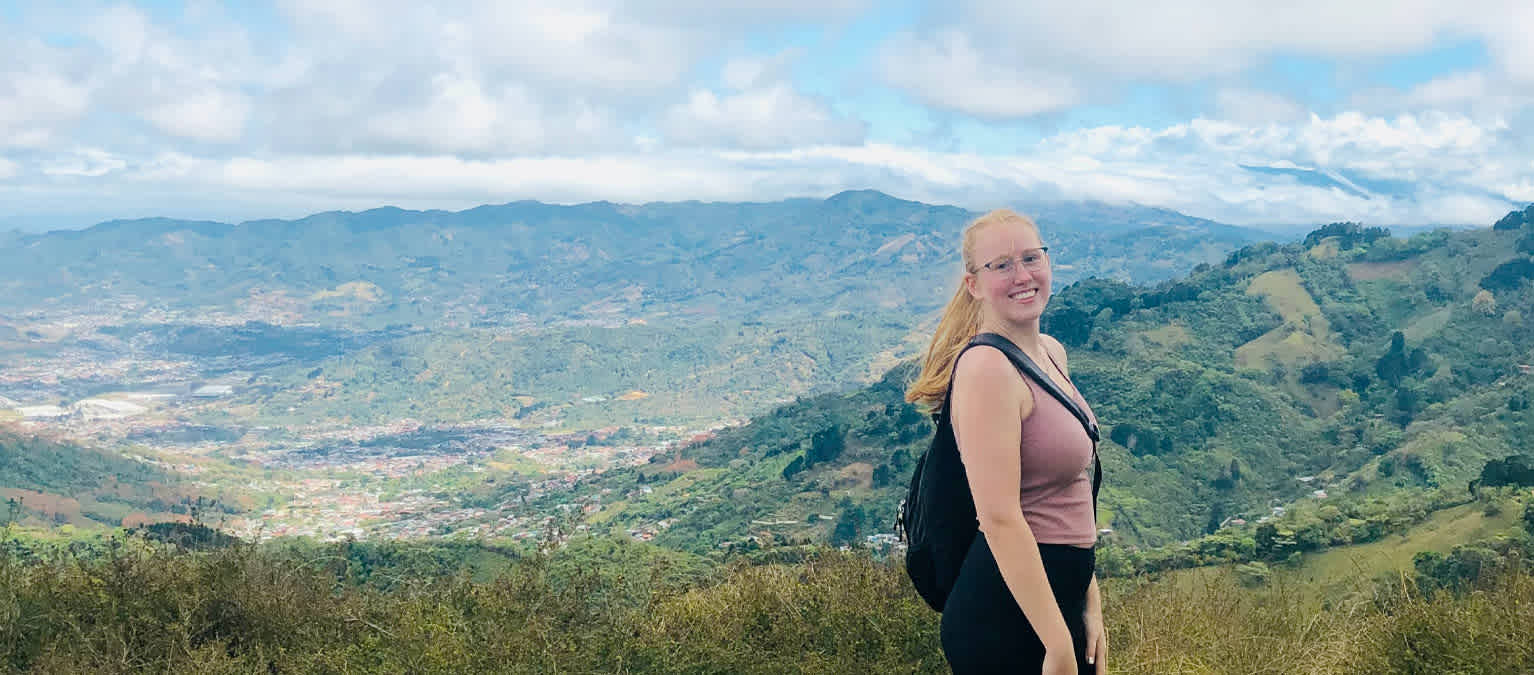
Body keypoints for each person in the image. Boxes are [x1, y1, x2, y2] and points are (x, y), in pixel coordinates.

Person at [906, 209, 1105, 674]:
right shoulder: (987, 370)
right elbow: (998, 518)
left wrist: (1089, 604)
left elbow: (1070, 493)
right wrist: (1056, 642)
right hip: (1005, 617)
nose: (1022, 275)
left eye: (1031, 258)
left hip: (1058, 603)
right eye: (1001, 265)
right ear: (974, 284)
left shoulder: (1052, 353)